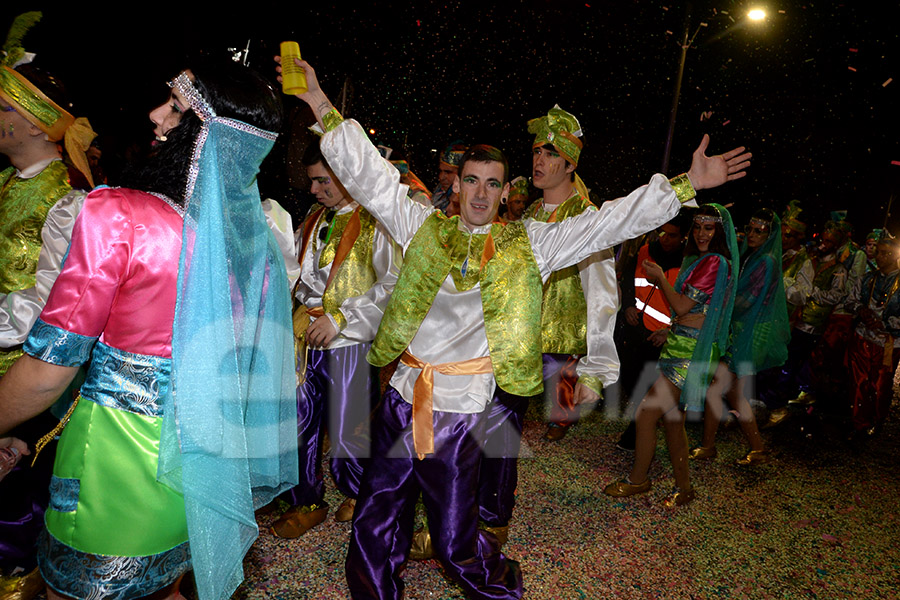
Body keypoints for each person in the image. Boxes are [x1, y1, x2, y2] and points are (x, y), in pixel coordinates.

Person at [277, 55, 749, 599]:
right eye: (471, 181)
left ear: (505, 192)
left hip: (460, 412)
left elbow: (608, 222)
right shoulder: (421, 227)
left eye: (493, 184)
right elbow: (370, 174)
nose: (480, 194)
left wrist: (687, 184)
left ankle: (499, 588)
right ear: (456, 186)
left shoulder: (530, 245)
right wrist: (317, 100)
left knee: (457, 543)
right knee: (375, 521)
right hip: (403, 399)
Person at [0, 62, 297, 600]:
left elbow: (50, 369)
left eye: (177, 109)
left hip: (114, 470)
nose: (156, 116)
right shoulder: (259, 247)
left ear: (209, 139)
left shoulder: (118, 217)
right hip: (201, 475)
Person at [0, 13, 94, 598]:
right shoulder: (7, 185)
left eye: (4, 109)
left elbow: (51, 308)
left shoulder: (68, 202)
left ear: (36, 125)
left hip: (34, 378)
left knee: (16, 513)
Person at [270, 141, 399, 538]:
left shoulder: (376, 222)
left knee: (349, 427)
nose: (314, 190)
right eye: (312, 181)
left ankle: (360, 491)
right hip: (302, 336)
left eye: (322, 181)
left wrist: (341, 319)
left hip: (349, 341)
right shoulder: (313, 217)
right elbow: (297, 272)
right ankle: (305, 500)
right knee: (297, 418)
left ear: (347, 176)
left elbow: (392, 284)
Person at [604, 204, 739, 506]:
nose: (702, 233)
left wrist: (659, 278)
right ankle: (685, 487)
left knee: (645, 414)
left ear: (719, 231)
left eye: (709, 227)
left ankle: (638, 480)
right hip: (680, 343)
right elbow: (696, 312)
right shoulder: (704, 261)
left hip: (689, 352)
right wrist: (670, 330)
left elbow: (680, 306)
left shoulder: (715, 262)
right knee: (671, 419)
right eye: (699, 226)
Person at [523, 106, 618, 443]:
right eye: (537, 151)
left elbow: (603, 292)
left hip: (564, 322)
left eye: (551, 154)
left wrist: (596, 370)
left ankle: (561, 418)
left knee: (559, 373)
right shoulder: (531, 212)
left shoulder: (585, 216)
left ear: (570, 165)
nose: (540, 161)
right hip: (526, 325)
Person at [690, 208, 790, 464]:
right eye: (752, 229)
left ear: (770, 235)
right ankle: (756, 448)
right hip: (741, 330)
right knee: (733, 394)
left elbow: (747, 301)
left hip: (750, 333)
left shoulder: (766, 261)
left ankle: (708, 446)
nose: (753, 235)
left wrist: (716, 309)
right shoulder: (752, 256)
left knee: (716, 388)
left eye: (760, 231)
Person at [614, 215, 689, 450]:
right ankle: (641, 429)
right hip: (637, 329)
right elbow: (628, 280)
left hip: (665, 337)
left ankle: (636, 435)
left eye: (672, 235)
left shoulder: (690, 262)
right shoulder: (646, 250)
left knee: (649, 389)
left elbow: (693, 303)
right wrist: (627, 305)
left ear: (683, 236)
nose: (665, 239)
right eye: (662, 232)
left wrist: (672, 329)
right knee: (630, 379)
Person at [843, 230, 900, 436]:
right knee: (858, 381)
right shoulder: (867, 279)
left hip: (888, 343)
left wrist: (885, 323)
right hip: (862, 337)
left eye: (886, 253)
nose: (881, 257)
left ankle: (877, 419)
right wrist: (861, 310)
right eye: (879, 252)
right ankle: (859, 422)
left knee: (880, 384)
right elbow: (850, 300)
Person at [432, 140, 467, 213]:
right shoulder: (439, 191)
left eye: (448, 172)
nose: (441, 177)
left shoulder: (468, 200)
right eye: (440, 171)